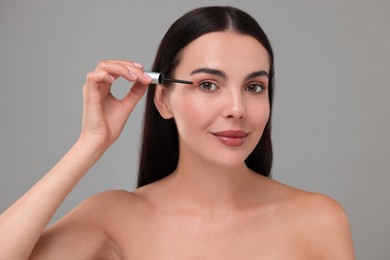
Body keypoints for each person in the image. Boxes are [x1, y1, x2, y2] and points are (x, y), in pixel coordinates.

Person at [0, 6, 354, 259]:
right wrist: (90, 144)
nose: (237, 108)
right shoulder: (115, 218)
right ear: (164, 99)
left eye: (254, 87)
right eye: (209, 85)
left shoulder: (319, 219)